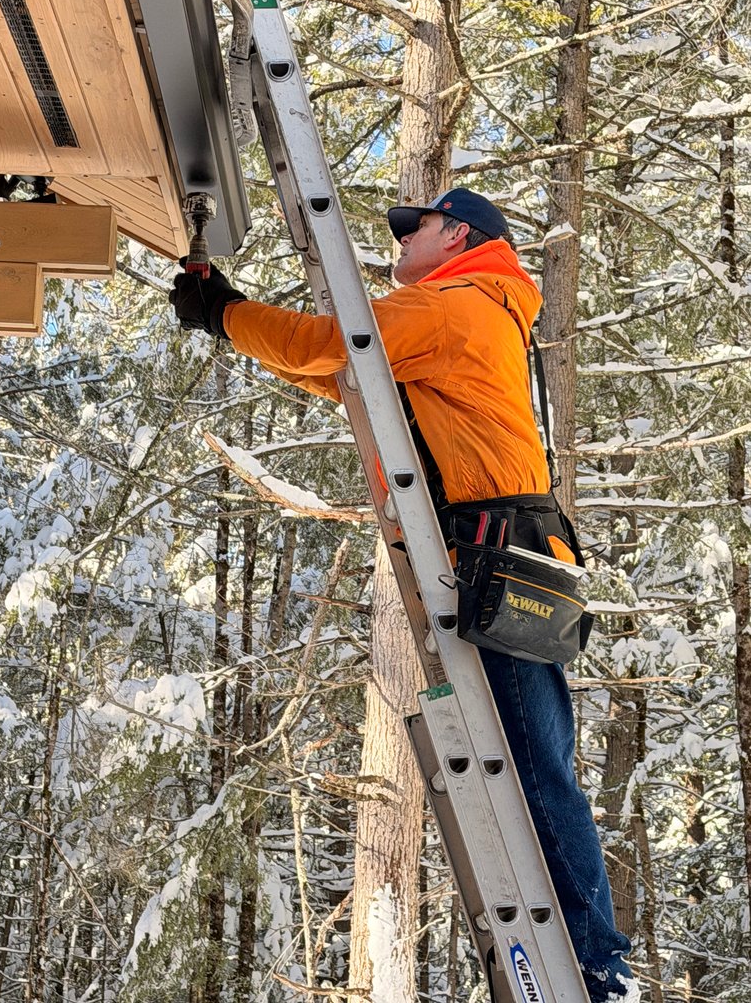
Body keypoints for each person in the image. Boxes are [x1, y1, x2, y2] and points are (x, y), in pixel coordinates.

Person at [170, 188, 638, 1002]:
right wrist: (232, 321)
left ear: (457, 234)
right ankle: (590, 962)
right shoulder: (478, 308)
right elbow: (345, 375)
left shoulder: (452, 303)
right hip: (514, 557)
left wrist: (226, 313)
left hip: (497, 560)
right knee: (537, 763)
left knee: (535, 769)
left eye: (412, 228)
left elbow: (328, 344)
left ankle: (595, 970)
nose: (399, 242)